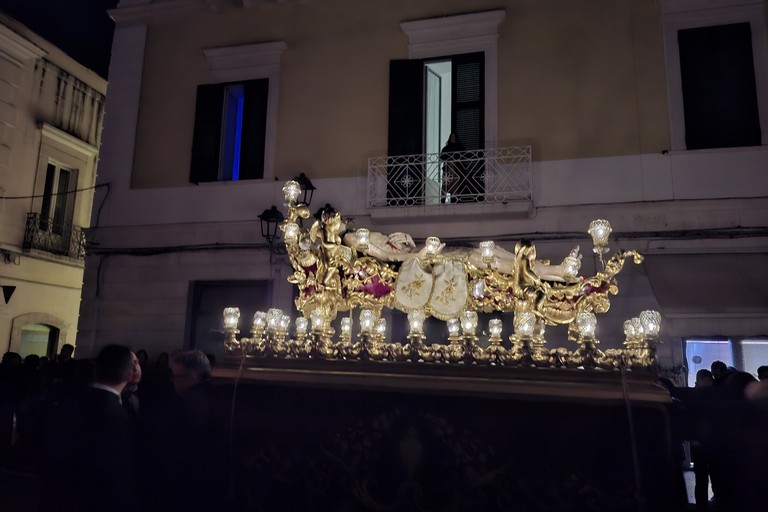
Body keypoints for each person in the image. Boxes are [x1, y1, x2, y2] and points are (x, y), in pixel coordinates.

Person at [41, 344, 137, 512]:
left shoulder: (71, 398)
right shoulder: (115, 413)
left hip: (58, 492)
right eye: (135, 363)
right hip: (93, 498)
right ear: (129, 375)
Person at [440, 132, 466, 203]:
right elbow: (442, 157)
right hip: (447, 169)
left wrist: (456, 161)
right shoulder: (446, 148)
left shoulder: (459, 147)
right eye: (451, 137)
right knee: (445, 184)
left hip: (457, 169)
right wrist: (448, 161)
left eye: (454, 137)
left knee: (455, 184)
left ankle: (454, 199)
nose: (453, 139)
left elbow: (463, 156)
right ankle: (443, 199)